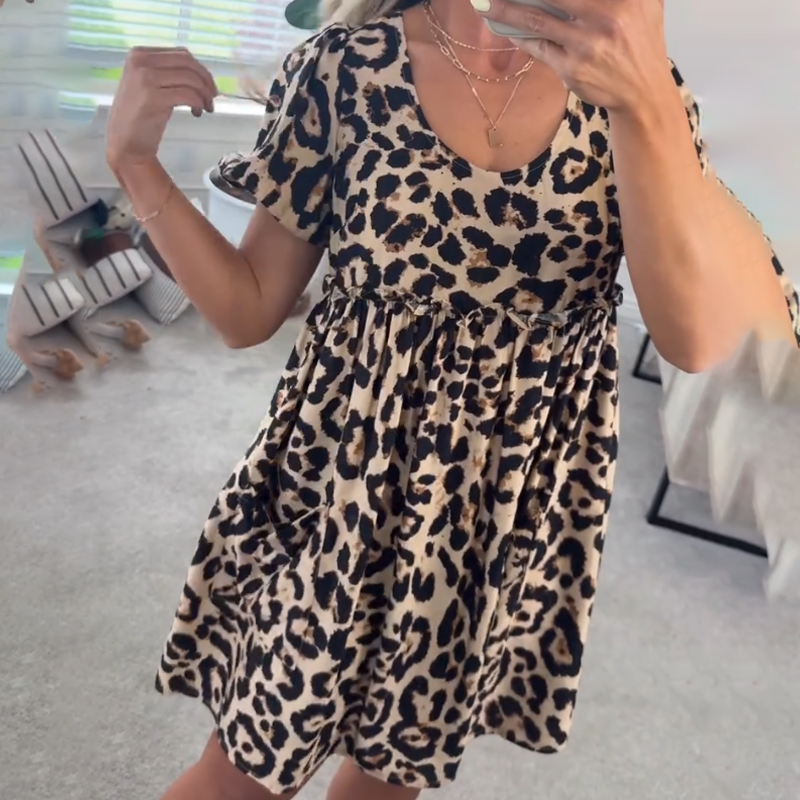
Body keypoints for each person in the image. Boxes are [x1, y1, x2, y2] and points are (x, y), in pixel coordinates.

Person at [106, 0, 799, 798]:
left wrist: (644, 103)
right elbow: (247, 308)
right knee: (240, 778)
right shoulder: (344, 69)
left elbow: (693, 340)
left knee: (386, 779)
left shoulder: (626, 87)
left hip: (492, 526)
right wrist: (134, 162)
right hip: (335, 499)